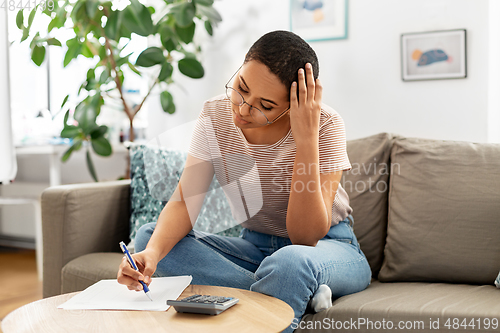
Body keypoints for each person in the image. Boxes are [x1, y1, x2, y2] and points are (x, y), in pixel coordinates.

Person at [117, 30, 371, 331]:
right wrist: (153, 254)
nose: (243, 108)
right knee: (150, 239)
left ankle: (291, 282)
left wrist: (305, 140)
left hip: (325, 248)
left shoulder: (326, 125)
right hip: (254, 248)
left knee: (291, 263)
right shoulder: (215, 114)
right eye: (241, 88)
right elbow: (185, 201)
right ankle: (293, 290)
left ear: (294, 104)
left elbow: (305, 238)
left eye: (265, 106)